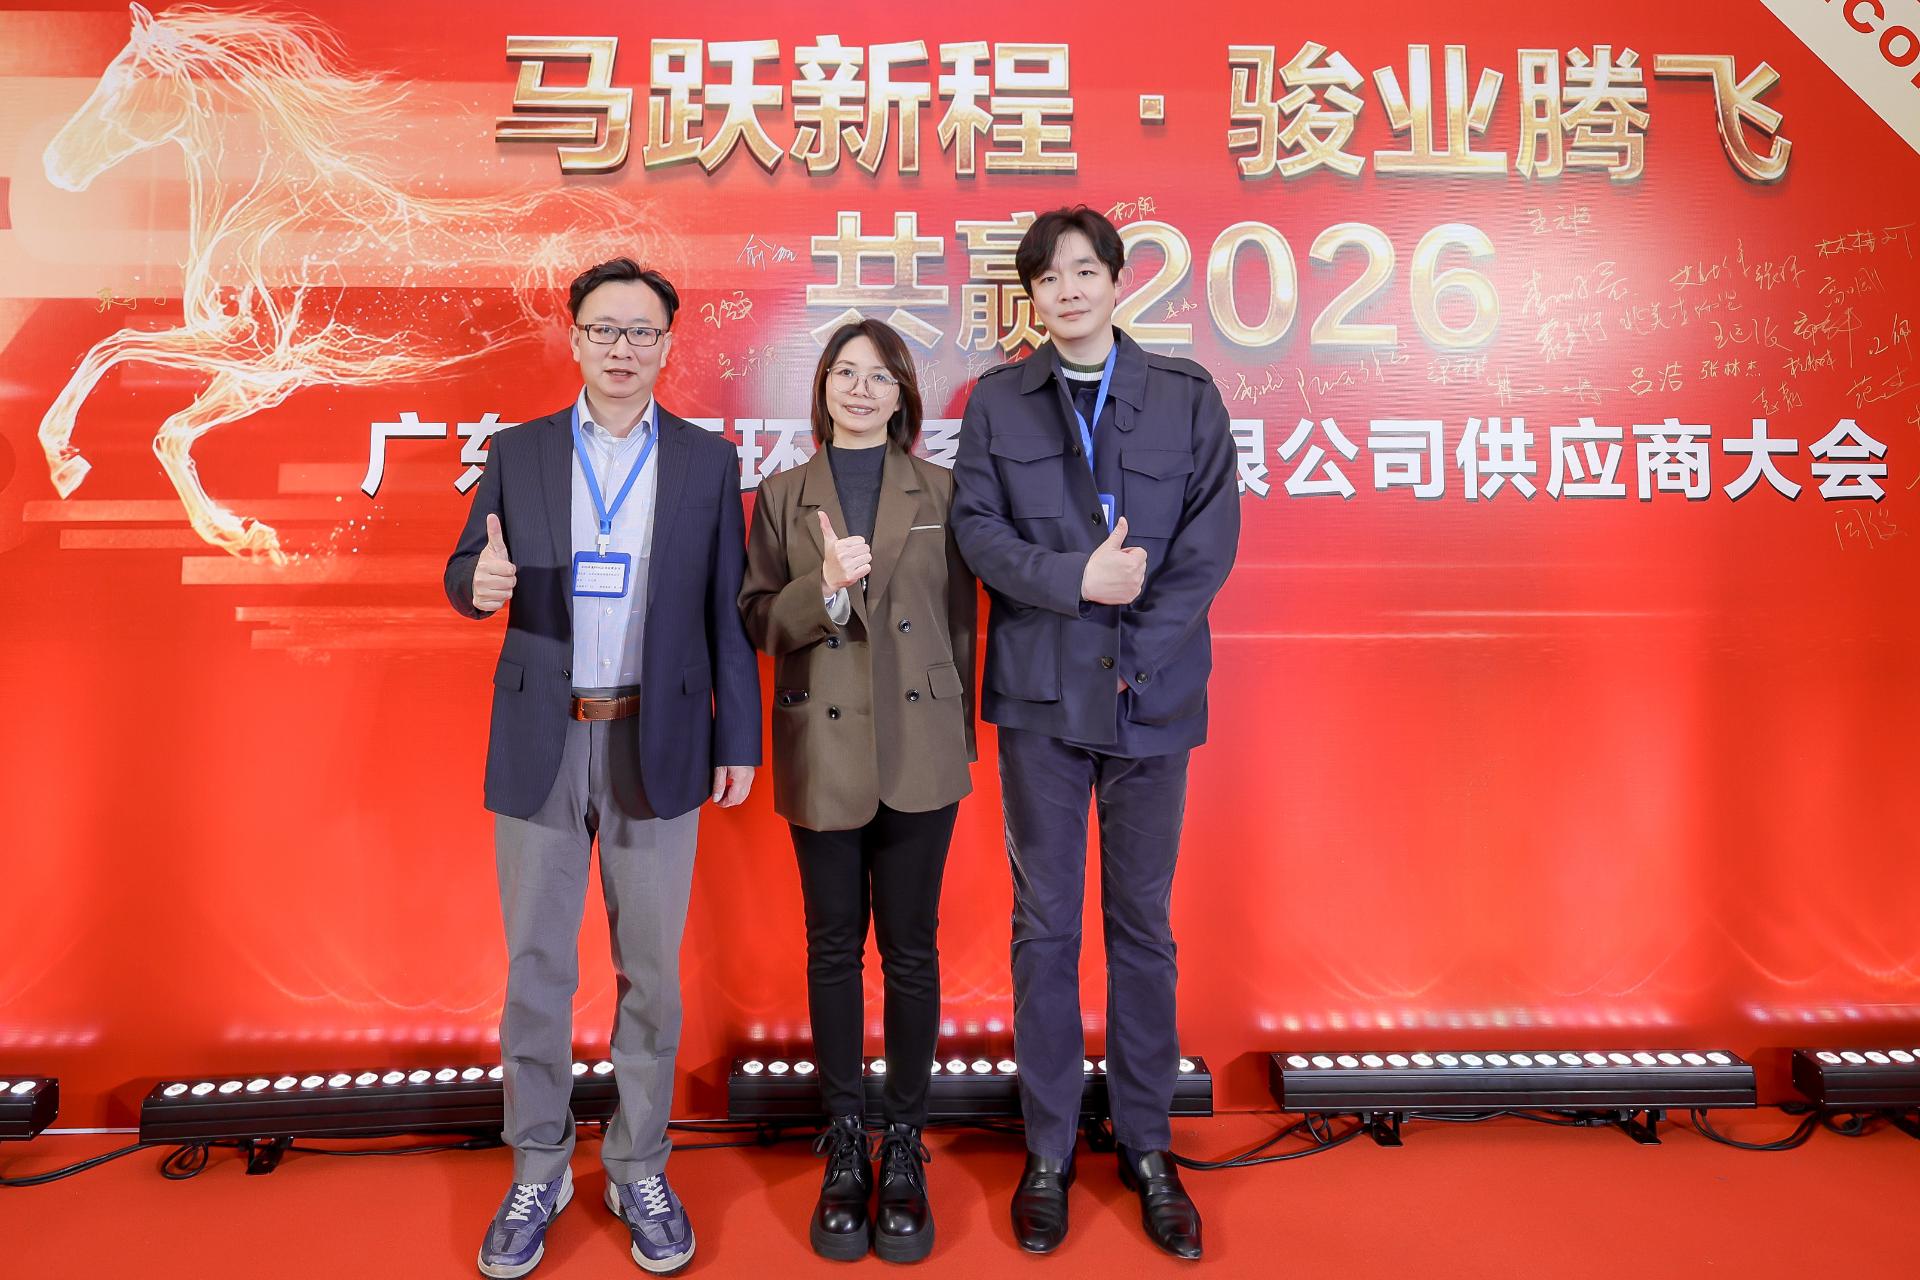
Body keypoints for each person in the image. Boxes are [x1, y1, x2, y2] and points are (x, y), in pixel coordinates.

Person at [444, 257, 761, 1278]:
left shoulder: (709, 461)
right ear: (574, 338)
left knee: (653, 976)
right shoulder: (520, 450)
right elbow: (465, 566)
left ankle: (638, 1163)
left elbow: (727, 613)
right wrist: (477, 581)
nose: (623, 348)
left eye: (642, 332)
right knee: (537, 969)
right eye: (604, 329)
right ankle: (537, 1163)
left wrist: (738, 738)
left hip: (656, 738)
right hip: (543, 735)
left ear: (668, 344)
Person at [949, 207, 1240, 1260]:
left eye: (1084, 271)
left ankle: (1149, 1146)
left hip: (1150, 698)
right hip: (1039, 701)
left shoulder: (1185, 395)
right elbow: (976, 532)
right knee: (1044, 926)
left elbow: (1209, 542)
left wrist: (1135, 647)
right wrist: (1077, 578)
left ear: (1119, 281)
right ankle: (1048, 1148)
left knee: (1142, 927)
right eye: (1047, 277)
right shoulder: (997, 401)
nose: (1066, 290)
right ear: (1030, 295)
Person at [738, 319, 977, 1264]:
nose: (861, 389)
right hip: (825, 747)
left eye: (879, 376)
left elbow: (960, 624)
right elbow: (759, 618)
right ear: (823, 387)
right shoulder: (782, 495)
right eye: (845, 372)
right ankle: (844, 1138)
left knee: (912, 951)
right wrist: (825, 590)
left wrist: (958, 738)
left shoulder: (942, 491)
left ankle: (905, 1141)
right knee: (832, 947)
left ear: (903, 394)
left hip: (921, 745)